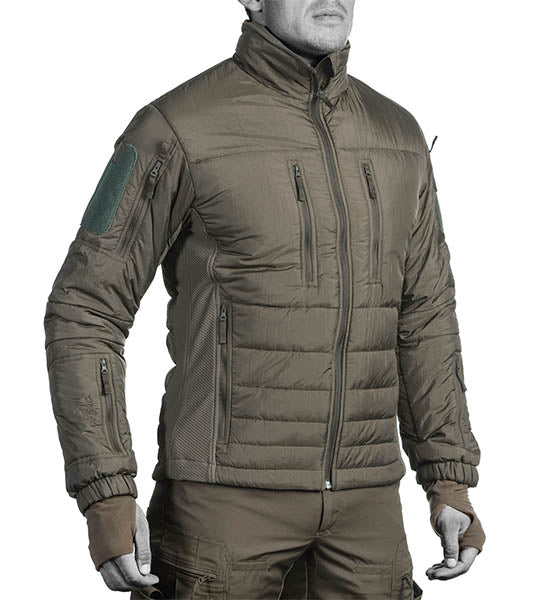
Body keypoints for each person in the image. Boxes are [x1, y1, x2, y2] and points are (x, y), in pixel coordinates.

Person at [43, 1, 485, 598]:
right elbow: (85, 309)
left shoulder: (398, 136)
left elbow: (425, 315)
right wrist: (106, 490)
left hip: (367, 511)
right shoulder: (176, 128)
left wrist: (449, 479)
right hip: (222, 511)